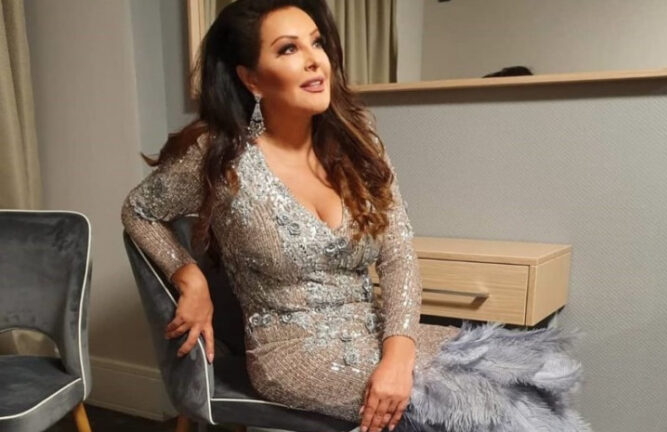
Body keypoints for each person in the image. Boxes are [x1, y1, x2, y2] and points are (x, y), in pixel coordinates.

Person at [121, 1, 592, 431]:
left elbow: (398, 255)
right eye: (288, 49)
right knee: (474, 415)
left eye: (316, 43)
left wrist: (398, 353)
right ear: (252, 80)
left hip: (373, 329)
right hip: (293, 354)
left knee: (527, 386)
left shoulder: (357, 144)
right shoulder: (220, 158)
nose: (314, 60)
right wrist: (188, 276)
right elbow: (139, 210)